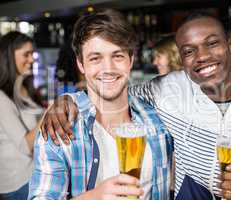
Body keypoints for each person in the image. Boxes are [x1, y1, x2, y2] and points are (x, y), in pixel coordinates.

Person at [40, 12, 231, 200]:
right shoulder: (168, 94)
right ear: (182, 60)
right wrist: (68, 100)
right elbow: (112, 91)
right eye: (189, 51)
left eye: (212, 43)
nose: (202, 57)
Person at [28, 9, 172, 200]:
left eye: (118, 56)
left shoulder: (159, 118)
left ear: (131, 60)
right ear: (81, 64)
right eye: (95, 58)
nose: (108, 69)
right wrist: (94, 197)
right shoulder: (60, 128)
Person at [0, 31, 43, 199]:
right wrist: (50, 114)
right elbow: (25, 146)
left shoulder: (24, 87)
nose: (32, 59)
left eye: (32, 54)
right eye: (26, 54)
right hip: (19, 181)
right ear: (9, 57)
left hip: (34, 172)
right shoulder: (2, 98)